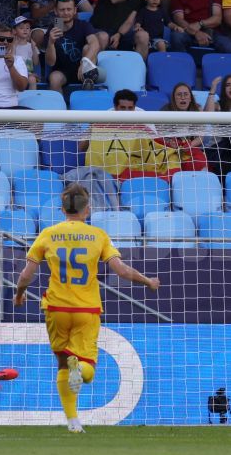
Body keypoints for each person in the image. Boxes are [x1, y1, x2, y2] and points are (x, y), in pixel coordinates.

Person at [14, 183, 160, 433]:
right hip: (86, 310)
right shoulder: (98, 236)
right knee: (87, 370)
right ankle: (78, 370)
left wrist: (19, 293)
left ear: (62, 209)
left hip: (56, 308)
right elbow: (120, 270)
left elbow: (27, 273)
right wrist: (147, 281)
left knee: (62, 363)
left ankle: (73, 422)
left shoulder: (48, 233)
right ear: (87, 209)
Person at [45, 0, 101, 91]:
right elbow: (50, 62)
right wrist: (51, 43)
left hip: (84, 67)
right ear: (55, 11)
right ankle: (58, 106)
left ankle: (88, 80)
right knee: (54, 78)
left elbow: (95, 43)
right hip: (63, 71)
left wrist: (84, 62)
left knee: (88, 47)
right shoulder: (55, 28)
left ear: (75, 10)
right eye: (62, 10)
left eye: (69, 9)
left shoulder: (82, 25)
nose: (66, 13)